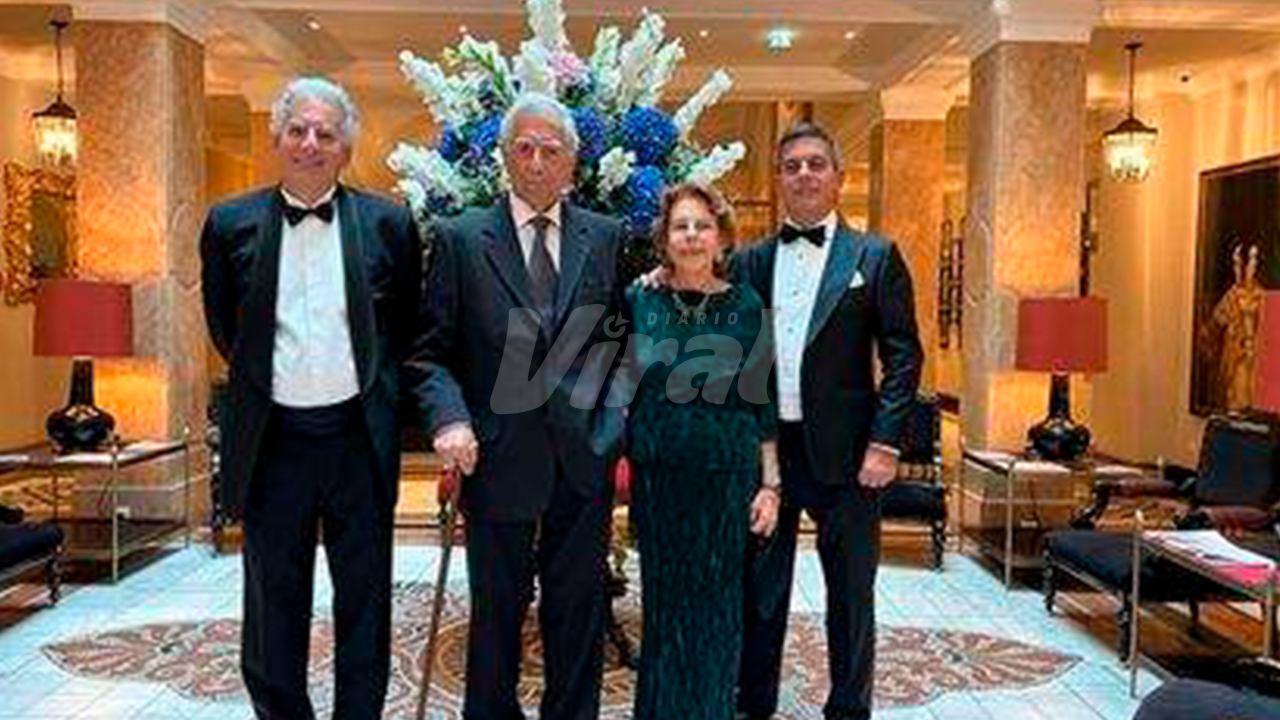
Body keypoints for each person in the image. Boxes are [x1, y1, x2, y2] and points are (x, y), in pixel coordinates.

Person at [200, 77, 425, 720]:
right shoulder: (228, 224)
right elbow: (226, 329)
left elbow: (404, 327)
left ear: (346, 148)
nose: (310, 144)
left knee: (366, 600)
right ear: (277, 139)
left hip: (358, 440)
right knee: (274, 600)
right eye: (297, 130)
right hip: (273, 443)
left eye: (326, 133)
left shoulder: (389, 223)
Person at [411, 92, 626, 720]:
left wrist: (610, 429)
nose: (536, 162)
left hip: (582, 459)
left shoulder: (605, 237)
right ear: (503, 156)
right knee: (496, 615)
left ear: (573, 161)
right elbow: (428, 355)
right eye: (524, 148)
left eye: (550, 150)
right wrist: (450, 418)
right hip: (495, 458)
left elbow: (619, 345)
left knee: (578, 613)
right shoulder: (459, 238)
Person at [735, 123, 923, 720]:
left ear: (839, 177)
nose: (804, 174)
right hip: (768, 453)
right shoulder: (750, 261)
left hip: (850, 456)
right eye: (791, 165)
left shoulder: (875, 256)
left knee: (849, 593)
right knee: (761, 591)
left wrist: (885, 442)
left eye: (816, 163)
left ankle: (848, 709)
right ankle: (754, 704)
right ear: (779, 179)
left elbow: (903, 356)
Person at [620, 183, 781, 720]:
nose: (691, 236)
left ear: (722, 238)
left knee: (717, 609)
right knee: (664, 606)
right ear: (664, 239)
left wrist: (770, 485)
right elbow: (612, 382)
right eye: (680, 226)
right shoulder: (639, 299)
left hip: (726, 478)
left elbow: (762, 398)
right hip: (660, 477)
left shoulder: (747, 305)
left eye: (702, 226)